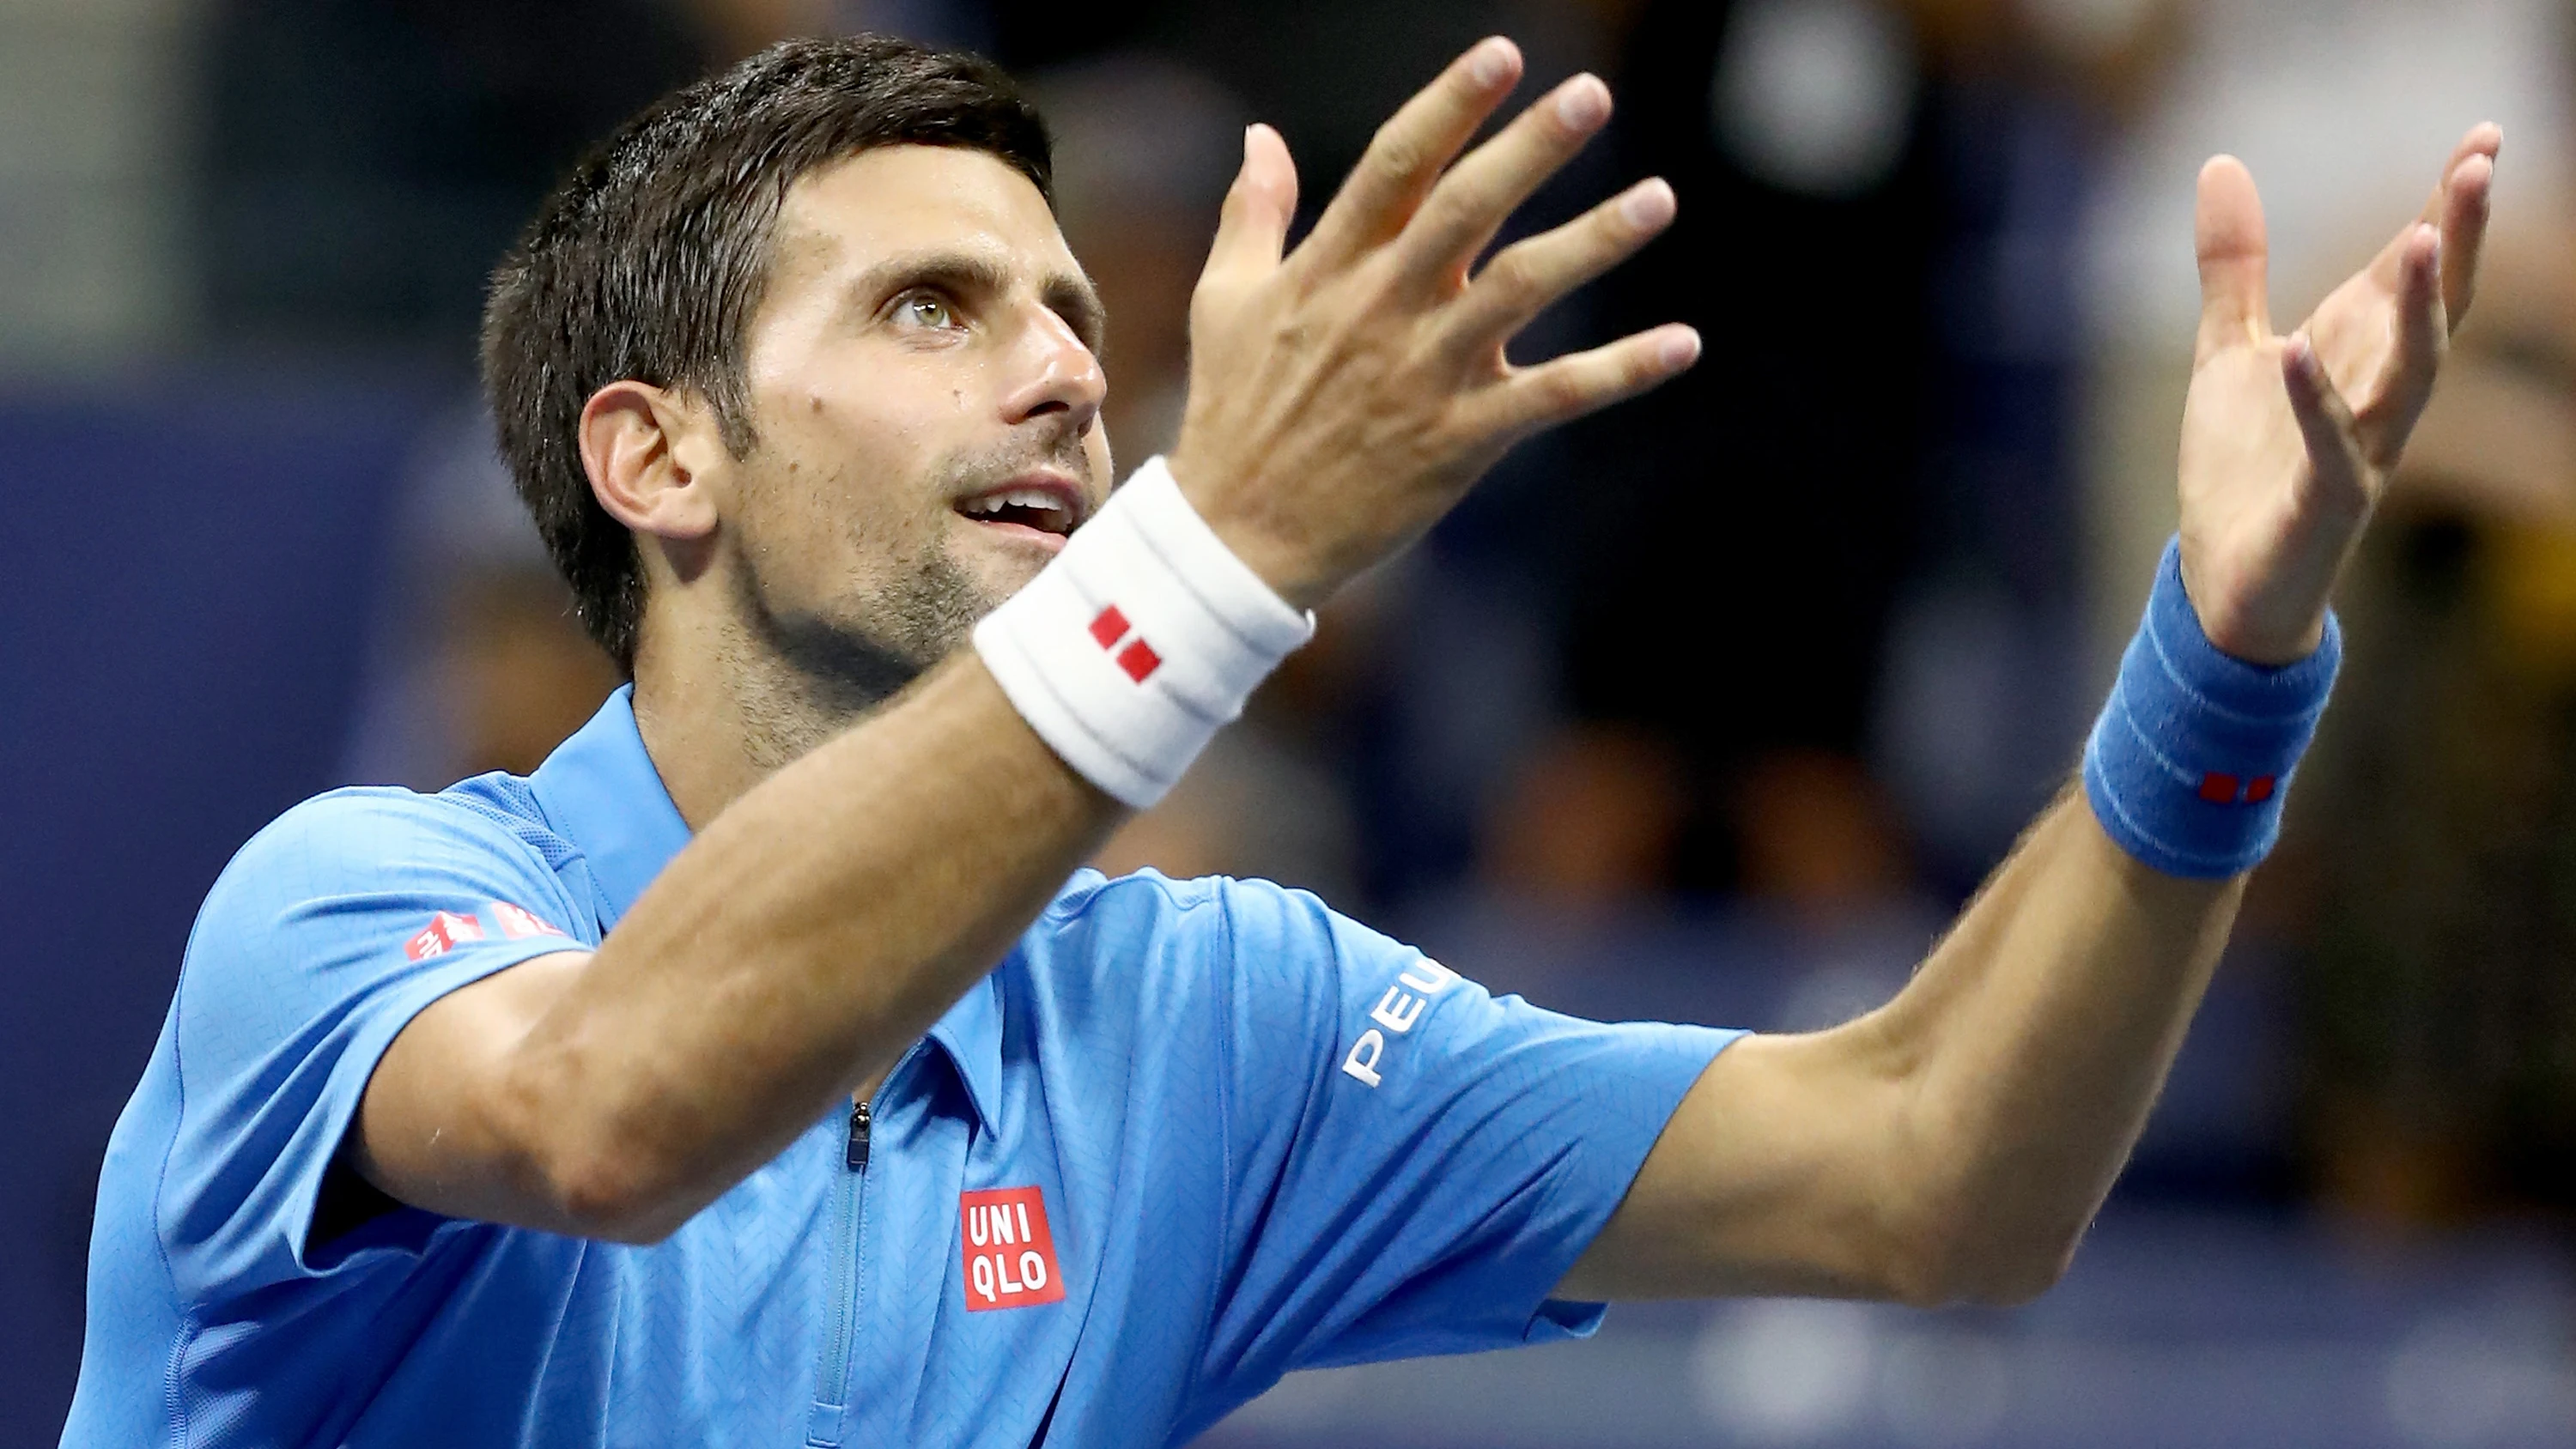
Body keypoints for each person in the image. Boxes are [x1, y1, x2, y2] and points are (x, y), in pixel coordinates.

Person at [61, 32, 2495, 1449]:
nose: (1054, 367)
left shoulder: (1199, 1019)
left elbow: (1935, 1170)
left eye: (1057, 317)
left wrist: (2226, 647)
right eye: (929, 308)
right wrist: (1211, 555)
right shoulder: (348, 913)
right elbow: (617, 1109)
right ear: (656, 461)